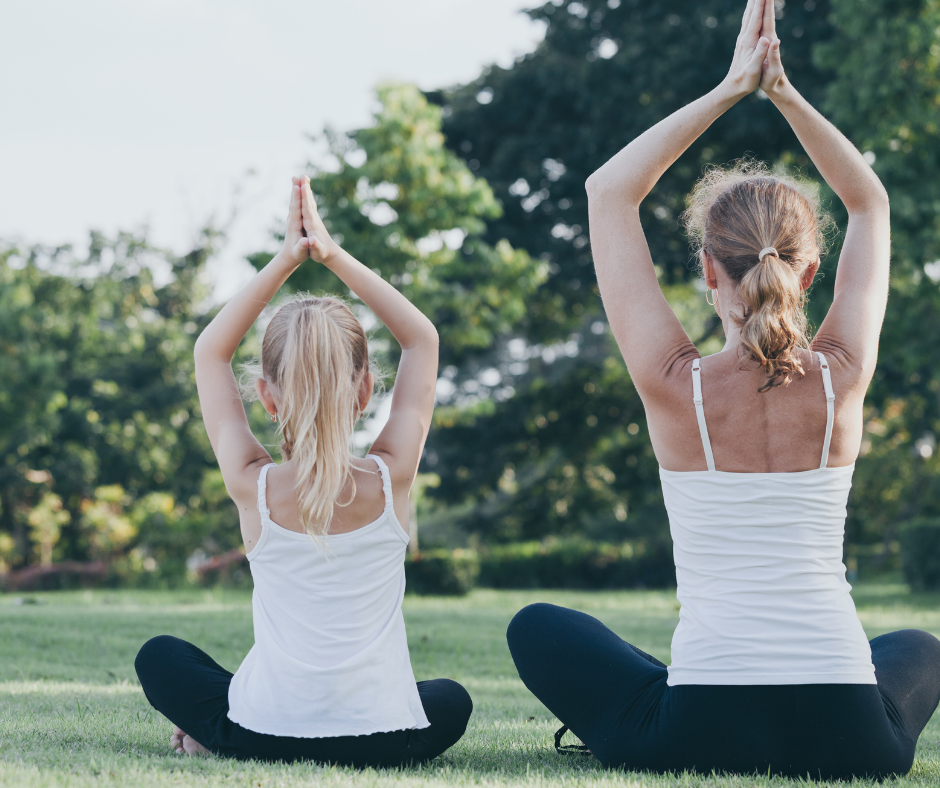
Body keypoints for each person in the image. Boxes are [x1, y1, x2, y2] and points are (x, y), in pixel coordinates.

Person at [506, 0, 940, 778]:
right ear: (810, 274)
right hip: (852, 740)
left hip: (701, 726)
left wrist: (731, 86)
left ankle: (659, 693)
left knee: (538, 626)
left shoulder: (676, 385)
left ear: (708, 271)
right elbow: (869, 201)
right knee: (917, 648)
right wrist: (784, 92)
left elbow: (609, 192)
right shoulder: (844, 375)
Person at [134, 176, 472, 767]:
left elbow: (209, 351)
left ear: (266, 397)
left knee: (159, 655)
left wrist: (287, 258)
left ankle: (212, 731)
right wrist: (332, 254)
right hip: (384, 741)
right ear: (366, 390)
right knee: (450, 700)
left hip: (262, 735)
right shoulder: (392, 478)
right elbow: (422, 339)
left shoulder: (252, 484)